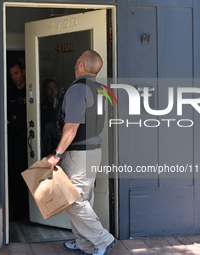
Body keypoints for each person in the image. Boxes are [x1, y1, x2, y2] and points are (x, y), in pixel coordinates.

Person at [47, 50, 116, 255]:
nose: (75, 63)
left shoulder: (78, 89)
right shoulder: (101, 89)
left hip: (79, 153)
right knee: (83, 198)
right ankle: (85, 244)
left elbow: (72, 126)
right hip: (93, 150)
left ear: (82, 65)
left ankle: (103, 239)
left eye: (78, 60)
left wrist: (57, 154)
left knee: (73, 199)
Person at [7, 60, 28, 220]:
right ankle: (19, 210)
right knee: (16, 175)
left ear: (24, 72)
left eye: (16, 73)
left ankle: (31, 211)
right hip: (15, 140)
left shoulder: (31, 90)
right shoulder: (9, 93)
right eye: (11, 74)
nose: (14, 77)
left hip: (31, 141)